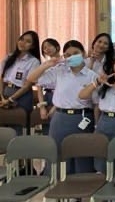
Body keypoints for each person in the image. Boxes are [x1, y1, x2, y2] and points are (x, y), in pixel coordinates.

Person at [27, 40, 98, 173]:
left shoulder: (92, 76)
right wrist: (47, 65)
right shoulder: (60, 71)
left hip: (82, 118)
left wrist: (96, 126)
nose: (72, 57)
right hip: (60, 118)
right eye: (68, 55)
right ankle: (57, 186)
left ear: (83, 53)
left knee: (81, 156)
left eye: (75, 53)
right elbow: (32, 79)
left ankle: (80, 190)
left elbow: (96, 104)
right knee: (57, 154)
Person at [79, 51, 115, 174]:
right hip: (104, 122)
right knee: (102, 161)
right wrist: (97, 82)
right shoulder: (106, 82)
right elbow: (82, 95)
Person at [0, 31, 40, 116]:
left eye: (28, 41)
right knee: (4, 125)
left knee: (18, 126)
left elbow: (27, 86)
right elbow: (1, 78)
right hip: (6, 92)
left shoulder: (34, 62)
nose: (23, 43)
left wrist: (10, 99)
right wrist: (1, 96)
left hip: (22, 95)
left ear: (33, 46)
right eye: (21, 39)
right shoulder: (9, 57)